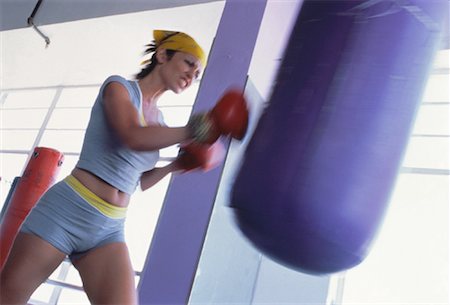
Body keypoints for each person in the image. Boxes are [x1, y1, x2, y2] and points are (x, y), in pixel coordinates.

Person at [0, 30, 227, 305]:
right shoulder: (118, 88)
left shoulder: (162, 122)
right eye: (189, 63)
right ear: (163, 55)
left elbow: (139, 181)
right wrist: (196, 130)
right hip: (67, 211)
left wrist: (175, 165)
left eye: (198, 73)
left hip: (109, 228)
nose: (192, 75)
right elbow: (132, 135)